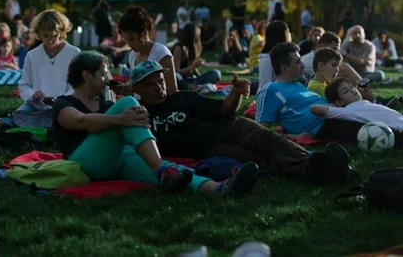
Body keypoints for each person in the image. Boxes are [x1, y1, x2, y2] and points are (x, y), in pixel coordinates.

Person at [53, 52, 259, 196]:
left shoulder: (106, 104)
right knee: (128, 106)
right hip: (84, 163)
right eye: (103, 74)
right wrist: (119, 118)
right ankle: (161, 168)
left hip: (117, 159)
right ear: (87, 76)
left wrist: (129, 119)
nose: (108, 78)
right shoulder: (65, 103)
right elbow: (81, 121)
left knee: (173, 172)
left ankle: (217, 189)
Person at [131, 59, 356, 183]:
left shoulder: (183, 98)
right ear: (137, 89)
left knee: (267, 138)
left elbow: (224, 110)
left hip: (229, 126)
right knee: (258, 159)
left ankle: (315, 166)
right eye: (151, 84)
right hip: (209, 148)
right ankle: (321, 169)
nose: (159, 87)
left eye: (160, 81)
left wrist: (236, 93)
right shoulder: (138, 115)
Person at [255, 42, 364, 142]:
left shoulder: (298, 85)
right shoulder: (271, 90)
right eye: (298, 62)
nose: (302, 66)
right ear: (285, 68)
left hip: (339, 112)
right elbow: (261, 130)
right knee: (369, 131)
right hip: (324, 125)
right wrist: (288, 136)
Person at [18, 10, 80, 111]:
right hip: (37, 105)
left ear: (61, 32)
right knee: (17, 116)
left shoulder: (74, 53)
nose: (50, 39)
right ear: (39, 35)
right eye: (46, 36)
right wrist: (33, 95)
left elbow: (78, 84)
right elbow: (24, 85)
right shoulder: (31, 55)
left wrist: (62, 100)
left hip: (67, 105)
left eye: (54, 35)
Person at [119, 6, 178, 95]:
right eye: (126, 40)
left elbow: (173, 90)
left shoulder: (161, 53)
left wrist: (140, 90)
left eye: (131, 39)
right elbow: (135, 87)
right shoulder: (132, 56)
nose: (129, 45)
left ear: (144, 33)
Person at [173, 23, 221, 90]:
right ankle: (191, 87)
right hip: (181, 80)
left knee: (216, 73)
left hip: (191, 79)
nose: (199, 37)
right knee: (176, 75)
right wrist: (192, 67)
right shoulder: (178, 47)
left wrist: (200, 76)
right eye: (197, 35)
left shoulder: (191, 48)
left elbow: (193, 68)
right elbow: (176, 71)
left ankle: (198, 86)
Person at [257, 20, 291, 95]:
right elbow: (265, 87)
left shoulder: (288, 56)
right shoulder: (267, 60)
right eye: (288, 31)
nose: (289, 34)